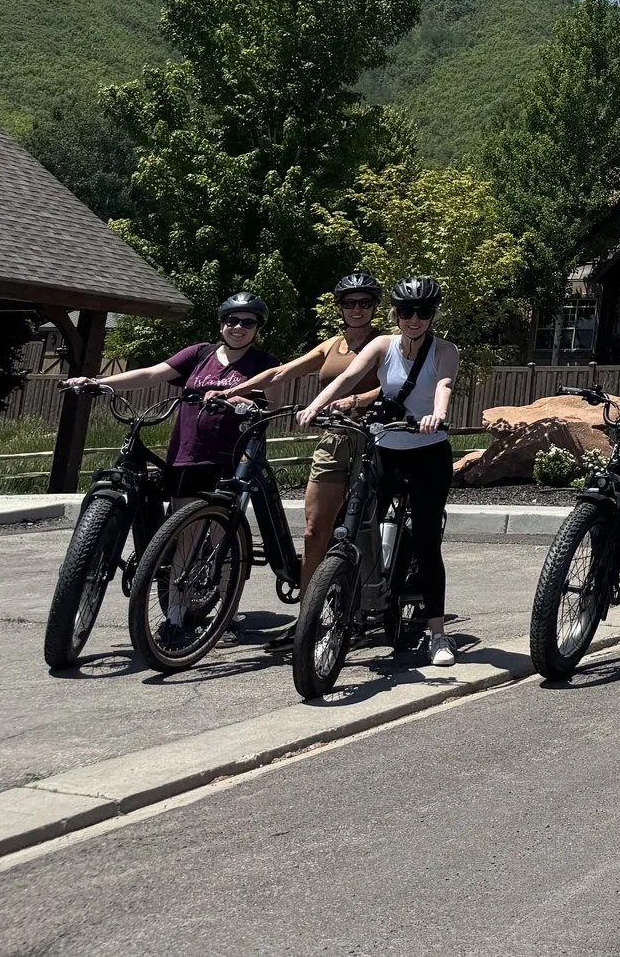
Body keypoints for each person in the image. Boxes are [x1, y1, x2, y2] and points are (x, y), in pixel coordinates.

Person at [300, 276, 461, 666]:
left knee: (426, 539)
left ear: (433, 315)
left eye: (424, 312)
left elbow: (443, 385)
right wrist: (315, 407)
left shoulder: (445, 350)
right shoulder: (382, 345)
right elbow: (345, 378)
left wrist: (437, 415)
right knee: (354, 528)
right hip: (384, 450)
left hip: (428, 452)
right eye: (407, 311)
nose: (415, 318)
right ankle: (342, 615)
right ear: (396, 313)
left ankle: (438, 635)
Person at [239, 273, 386, 584]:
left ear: (375, 307)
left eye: (365, 303)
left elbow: (391, 390)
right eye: (349, 303)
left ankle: (362, 602)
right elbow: (281, 371)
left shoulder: (386, 343)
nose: (356, 309)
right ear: (340, 307)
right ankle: (308, 619)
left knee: (359, 526)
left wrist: (354, 400)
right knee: (314, 530)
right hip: (333, 438)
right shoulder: (333, 344)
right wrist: (230, 391)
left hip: (372, 439)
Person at [64, 292, 279, 498]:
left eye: (248, 323)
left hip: (232, 457)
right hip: (187, 453)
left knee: (220, 526)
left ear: (257, 329)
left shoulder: (264, 363)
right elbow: (151, 374)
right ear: (222, 324)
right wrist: (97, 382)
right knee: (180, 528)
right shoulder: (200, 353)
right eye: (232, 320)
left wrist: (246, 403)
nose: (238, 327)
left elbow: (274, 408)